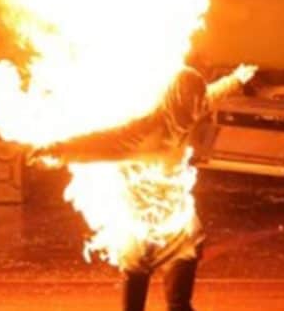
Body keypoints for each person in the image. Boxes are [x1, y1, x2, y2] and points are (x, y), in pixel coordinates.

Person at [30, 66, 253, 311]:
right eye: (191, 103)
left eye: (197, 103)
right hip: (140, 229)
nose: (195, 110)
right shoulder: (144, 131)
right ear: (176, 101)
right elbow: (100, 143)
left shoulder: (190, 112)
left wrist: (236, 79)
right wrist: (58, 150)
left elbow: (211, 95)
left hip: (176, 227)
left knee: (180, 304)